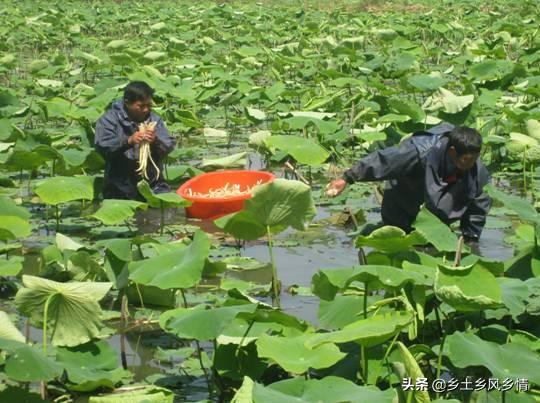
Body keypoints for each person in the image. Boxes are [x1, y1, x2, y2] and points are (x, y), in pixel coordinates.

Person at [325, 123, 491, 242]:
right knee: (397, 243)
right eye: (467, 160)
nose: (471, 165)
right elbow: (384, 162)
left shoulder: (475, 168)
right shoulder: (419, 151)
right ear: (453, 152)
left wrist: (470, 240)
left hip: (436, 217)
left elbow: (478, 206)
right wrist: (347, 178)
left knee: (431, 246)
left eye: (475, 160)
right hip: (403, 203)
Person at [94, 81, 176, 200]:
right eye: (141, 106)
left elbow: (168, 145)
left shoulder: (154, 120)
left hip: (152, 183)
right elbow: (102, 146)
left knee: (166, 208)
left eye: (149, 105)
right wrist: (128, 141)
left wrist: (155, 141)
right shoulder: (109, 120)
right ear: (127, 102)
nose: (146, 110)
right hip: (120, 185)